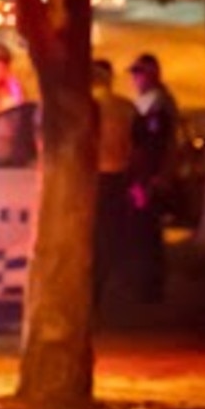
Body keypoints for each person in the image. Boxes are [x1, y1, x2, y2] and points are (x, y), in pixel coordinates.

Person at [127, 52, 180, 302]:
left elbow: (155, 145)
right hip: (147, 176)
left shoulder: (158, 104)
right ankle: (145, 286)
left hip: (150, 178)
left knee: (147, 231)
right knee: (142, 231)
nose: (135, 78)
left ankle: (151, 288)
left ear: (153, 74)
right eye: (134, 73)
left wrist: (152, 179)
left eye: (140, 73)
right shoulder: (146, 101)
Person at [91, 59, 138, 309]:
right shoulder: (127, 107)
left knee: (93, 239)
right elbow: (139, 147)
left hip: (92, 180)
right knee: (114, 236)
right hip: (119, 177)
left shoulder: (87, 106)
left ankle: (95, 291)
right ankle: (114, 287)